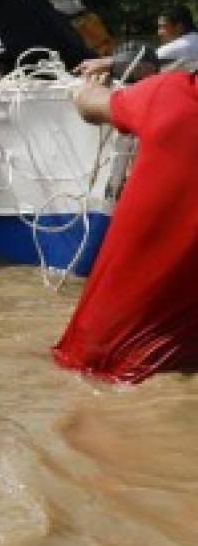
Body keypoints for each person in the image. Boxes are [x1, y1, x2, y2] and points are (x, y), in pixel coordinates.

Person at [53, 66, 198, 382]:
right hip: (177, 376)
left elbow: (89, 103)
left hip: (94, 360)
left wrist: (85, 89)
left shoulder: (170, 94)